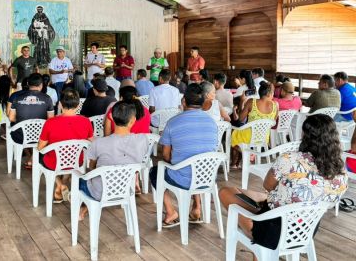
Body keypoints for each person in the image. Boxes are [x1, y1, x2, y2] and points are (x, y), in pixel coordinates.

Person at [220, 114, 348, 252]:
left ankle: (258, 224)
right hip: (306, 231)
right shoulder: (340, 169)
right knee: (256, 196)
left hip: (273, 231)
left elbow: (267, 186)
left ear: (305, 135)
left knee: (225, 192)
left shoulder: (290, 159)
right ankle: (261, 211)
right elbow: (331, 201)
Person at [149, 84, 218, 227]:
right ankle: (197, 208)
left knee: (155, 172)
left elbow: (166, 156)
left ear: (183, 102)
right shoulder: (212, 122)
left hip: (184, 179)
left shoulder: (173, 122)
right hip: (208, 176)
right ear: (203, 103)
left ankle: (170, 211)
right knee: (195, 163)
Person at [79, 101, 149, 219]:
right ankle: (84, 209)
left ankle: (82, 209)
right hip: (126, 188)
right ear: (133, 120)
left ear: (111, 117)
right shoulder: (143, 140)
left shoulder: (99, 143)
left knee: (79, 180)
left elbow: (92, 167)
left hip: (99, 192)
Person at [38, 89, 93, 203]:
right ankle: (62, 185)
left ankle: (60, 185)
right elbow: (90, 142)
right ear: (78, 105)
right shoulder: (86, 121)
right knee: (70, 159)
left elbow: (40, 147)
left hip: (54, 162)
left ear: (60, 104)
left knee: (40, 156)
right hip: (77, 161)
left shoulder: (50, 122)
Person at [231, 82, 278, 168]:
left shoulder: (251, 102)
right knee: (238, 134)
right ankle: (245, 156)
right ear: (269, 93)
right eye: (273, 92)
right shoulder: (276, 105)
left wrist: (242, 101)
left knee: (234, 135)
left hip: (249, 135)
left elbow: (240, 119)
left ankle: (246, 154)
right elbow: (273, 123)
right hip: (264, 137)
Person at [8, 73, 54, 145]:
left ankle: (31, 154)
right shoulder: (47, 98)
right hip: (41, 136)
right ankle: (36, 153)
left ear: (27, 83)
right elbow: (50, 120)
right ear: (41, 85)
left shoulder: (17, 98)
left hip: (21, 136)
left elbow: (11, 118)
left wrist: (23, 121)